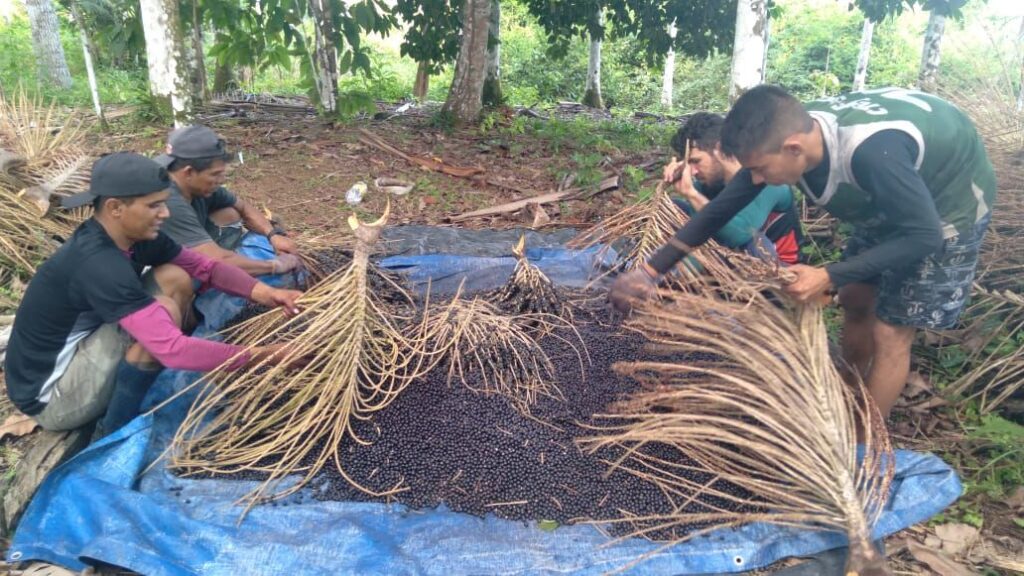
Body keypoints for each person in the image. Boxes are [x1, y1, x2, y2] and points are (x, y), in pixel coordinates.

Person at [611, 85, 996, 418]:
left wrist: (829, 274)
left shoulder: (870, 155)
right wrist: (650, 270)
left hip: (945, 209)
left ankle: (863, 444)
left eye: (760, 169)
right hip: (888, 198)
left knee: (891, 331)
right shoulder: (786, 139)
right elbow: (720, 211)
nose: (756, 180)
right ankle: (846, 390)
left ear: (793, 148)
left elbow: (922, 235)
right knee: (857, 297)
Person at [4, 152, 303, 438]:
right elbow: (172, 349)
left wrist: (267, 293)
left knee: (173, 277)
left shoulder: (130, 236)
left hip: (81, 347)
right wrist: (268, 356)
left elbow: (207, 268)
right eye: (154, 206)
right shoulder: (97, 263)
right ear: (115, 208)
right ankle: (112, 430)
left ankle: (140, 373)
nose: (166, 213)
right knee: (159, 323)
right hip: (52, 396)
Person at [154, 125, 302, 277]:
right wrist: (273, 266)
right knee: (175, 277)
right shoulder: (167, 200)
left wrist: (273, 235)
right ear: (189, 172)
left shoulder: (188, 180)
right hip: (149, 271)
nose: (221, 180)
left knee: (229, 213)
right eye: (215, 174)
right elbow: (215, 260)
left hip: (184, 245)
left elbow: (243, 206)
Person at [665, 112, 802, 264]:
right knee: (674, 206)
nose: (692, 171)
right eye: (687, 164)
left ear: (721, 151)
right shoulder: (711, 182)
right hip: (730, 256)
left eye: (696, 161)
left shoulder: (766, 177)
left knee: (754, 242)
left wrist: (692, 195)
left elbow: (740, 236)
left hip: (779, 267)